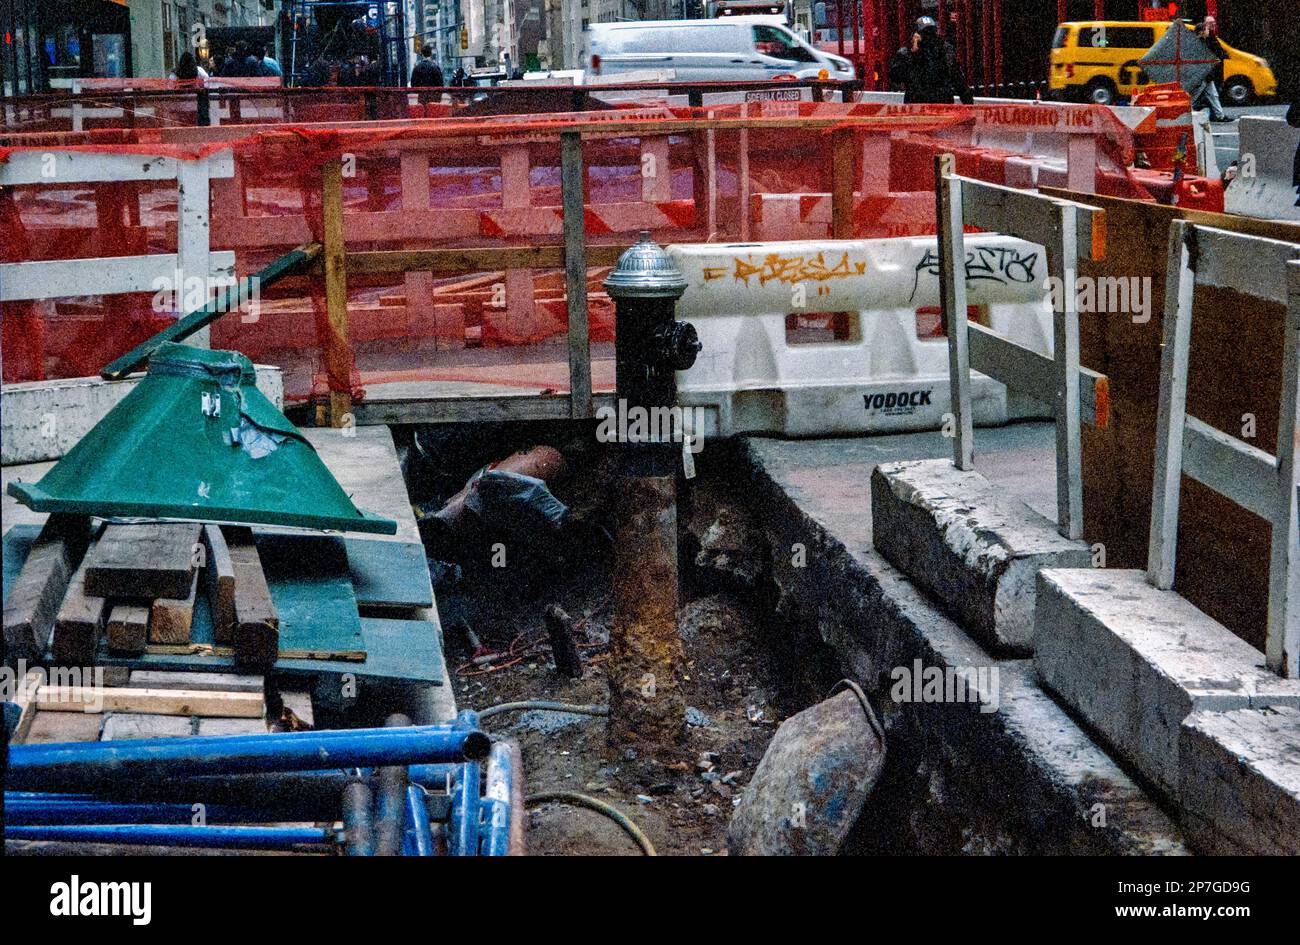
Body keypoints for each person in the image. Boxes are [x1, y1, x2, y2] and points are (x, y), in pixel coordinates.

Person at [892, 16, 973, 105]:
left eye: (931, 33)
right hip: (917, 107)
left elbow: (957, 78)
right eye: (925, 33)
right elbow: (896, 78)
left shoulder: (944, 50)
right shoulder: (907, 53)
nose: (929, 37)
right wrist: (913, 54)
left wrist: (968, 103)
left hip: (942, 106)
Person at [1193, 16, 1230, 122]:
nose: (1208, 30)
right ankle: (1187, 112)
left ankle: (1219, 115)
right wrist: (1214, 60)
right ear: (1202, 31)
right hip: (1202, 75)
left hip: (1208, 74)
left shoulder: (1206, 40)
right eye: (1206, 29)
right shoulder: (1200, 43)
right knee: (1196, 98)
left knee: (1213, 95)